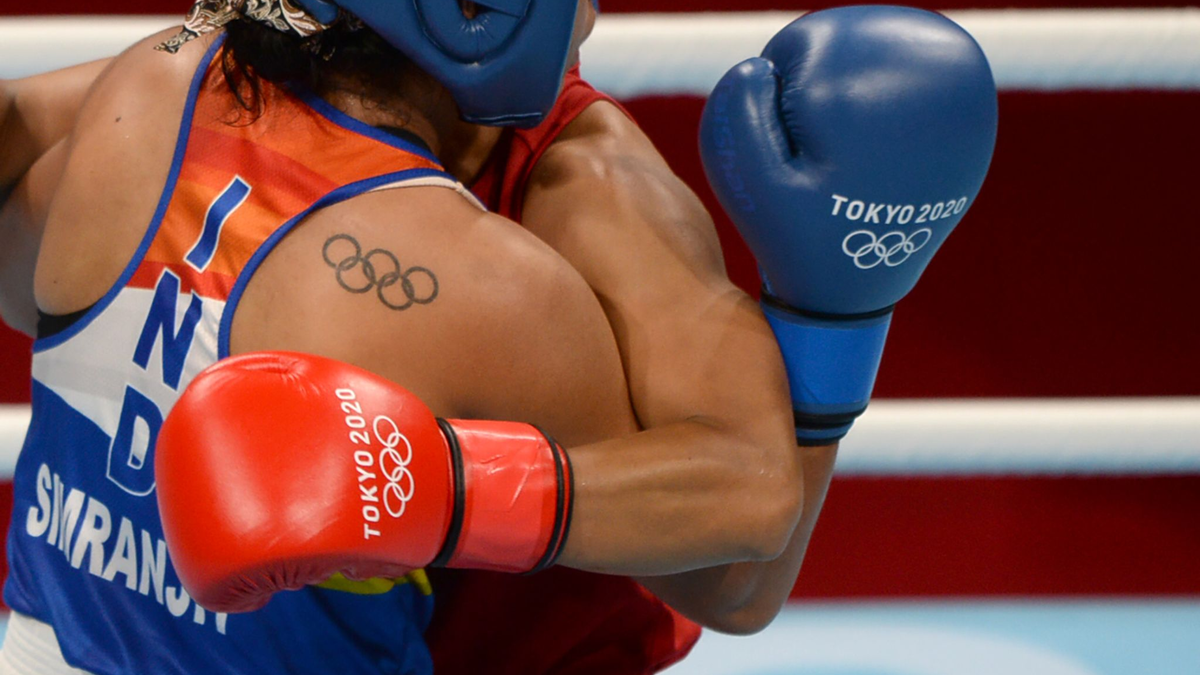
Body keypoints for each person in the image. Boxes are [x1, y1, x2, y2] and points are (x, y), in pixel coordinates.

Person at [0, 1, 996, 673]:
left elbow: (736, 558)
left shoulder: (148, 88)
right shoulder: (478, 278)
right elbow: (736, 564)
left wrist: (437, 484)